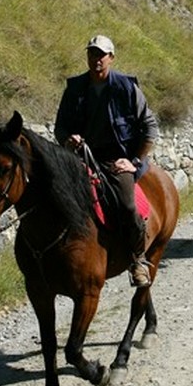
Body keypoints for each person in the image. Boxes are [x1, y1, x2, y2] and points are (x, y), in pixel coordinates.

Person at [54, 34, 159, 288]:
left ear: (111, 58)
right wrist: (69, 139)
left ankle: (137, 259)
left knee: (127, 206)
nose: (96, 59)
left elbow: (149, 127)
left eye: (101, 54)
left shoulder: (126, 87)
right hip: (81, 158)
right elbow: (60, 127)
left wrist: (134, 161)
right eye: (92, 53)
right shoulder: (75, 88)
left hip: (117, 161)